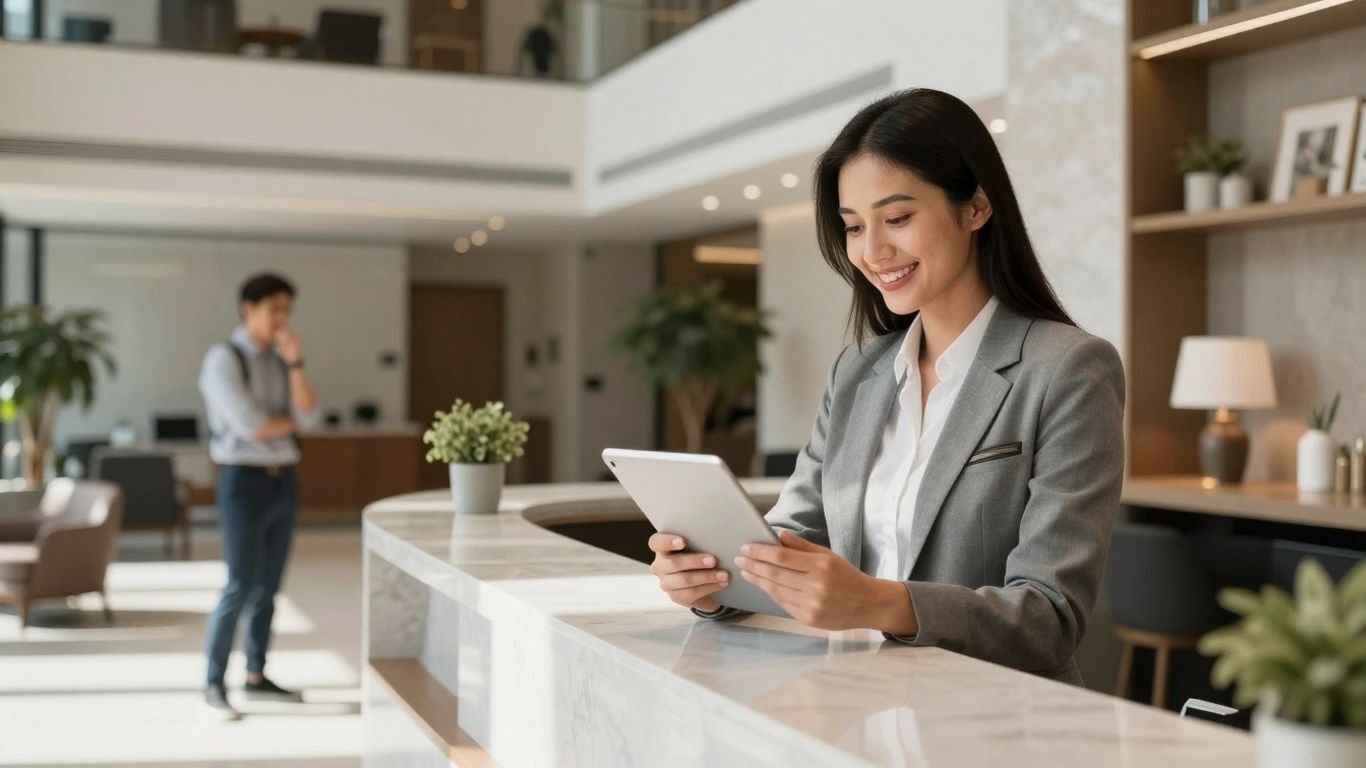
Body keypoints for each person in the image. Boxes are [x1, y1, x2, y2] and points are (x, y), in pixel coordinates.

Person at [647, 88, 1125, 685]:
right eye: (853, 227)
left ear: (975, 206)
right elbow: (795, 534)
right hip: (859, 703)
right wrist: (715, 582)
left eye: (897, 218)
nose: (872, 253)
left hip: (993, 719)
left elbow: (1050, 617)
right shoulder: (858, 372)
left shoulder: (1069, 368)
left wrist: (877, 602)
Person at [199, 272, 319, 718]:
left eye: (287, 309)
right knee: (239, 584)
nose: (282, 318)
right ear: (248, 309)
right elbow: (253, 424)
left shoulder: (279, 360)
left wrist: (296, 363)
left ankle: (256, 675)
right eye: (274, 309)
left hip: (283, 480)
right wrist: (288, 420)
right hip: (242, 482)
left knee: (269, 587)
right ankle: (213, 684)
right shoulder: (223, 359)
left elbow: (309, 415)